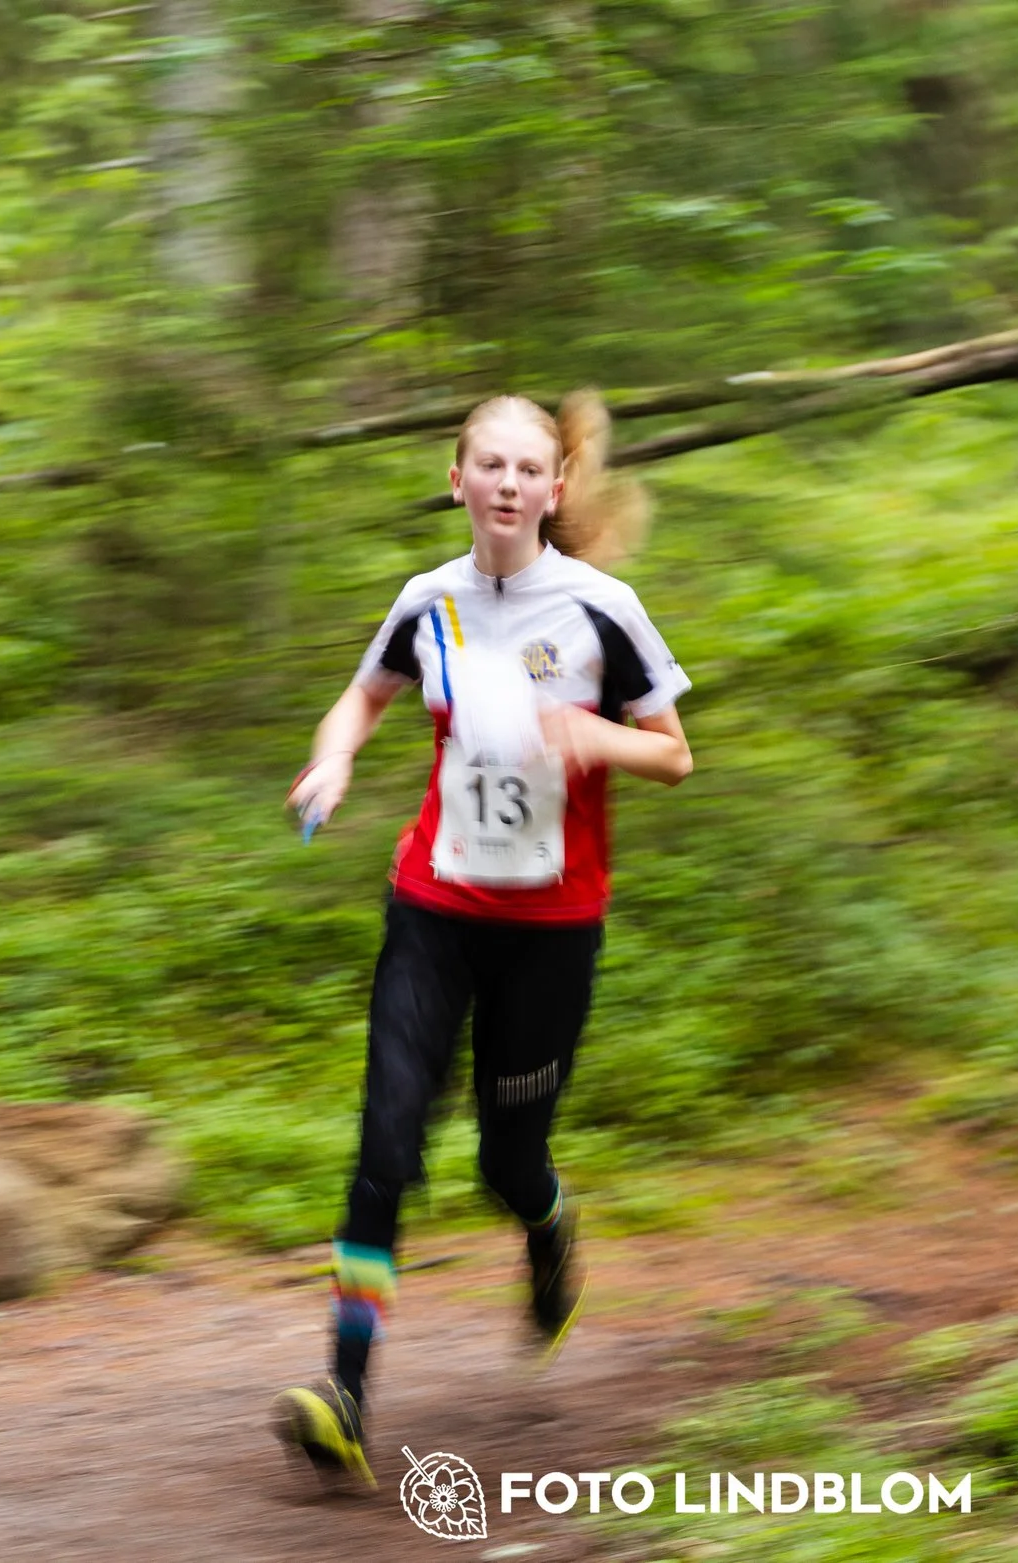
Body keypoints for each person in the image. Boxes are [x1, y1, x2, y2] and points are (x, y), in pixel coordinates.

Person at [271, 392, 693, 1488]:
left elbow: (674, 755)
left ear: (554, 491)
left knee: (508, 1162)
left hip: (551, 933)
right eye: (487, 465)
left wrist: (595, 735)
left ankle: (549, 1230)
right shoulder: (429, 603)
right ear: (456, 479)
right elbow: (358, 701)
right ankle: (343, 1400)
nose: (506, 484)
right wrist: (334, 760)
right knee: (384, 1143)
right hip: (434, 909)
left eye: (526, 468)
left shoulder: (603, 610)